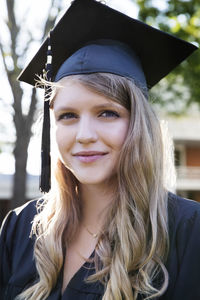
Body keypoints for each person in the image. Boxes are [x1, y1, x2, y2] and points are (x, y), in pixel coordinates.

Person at [0, 0, 200, 299]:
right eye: (67, 116)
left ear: (139, 123)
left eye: (107, 113)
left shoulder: (188, 232)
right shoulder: (20, 228)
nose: (84, 135)